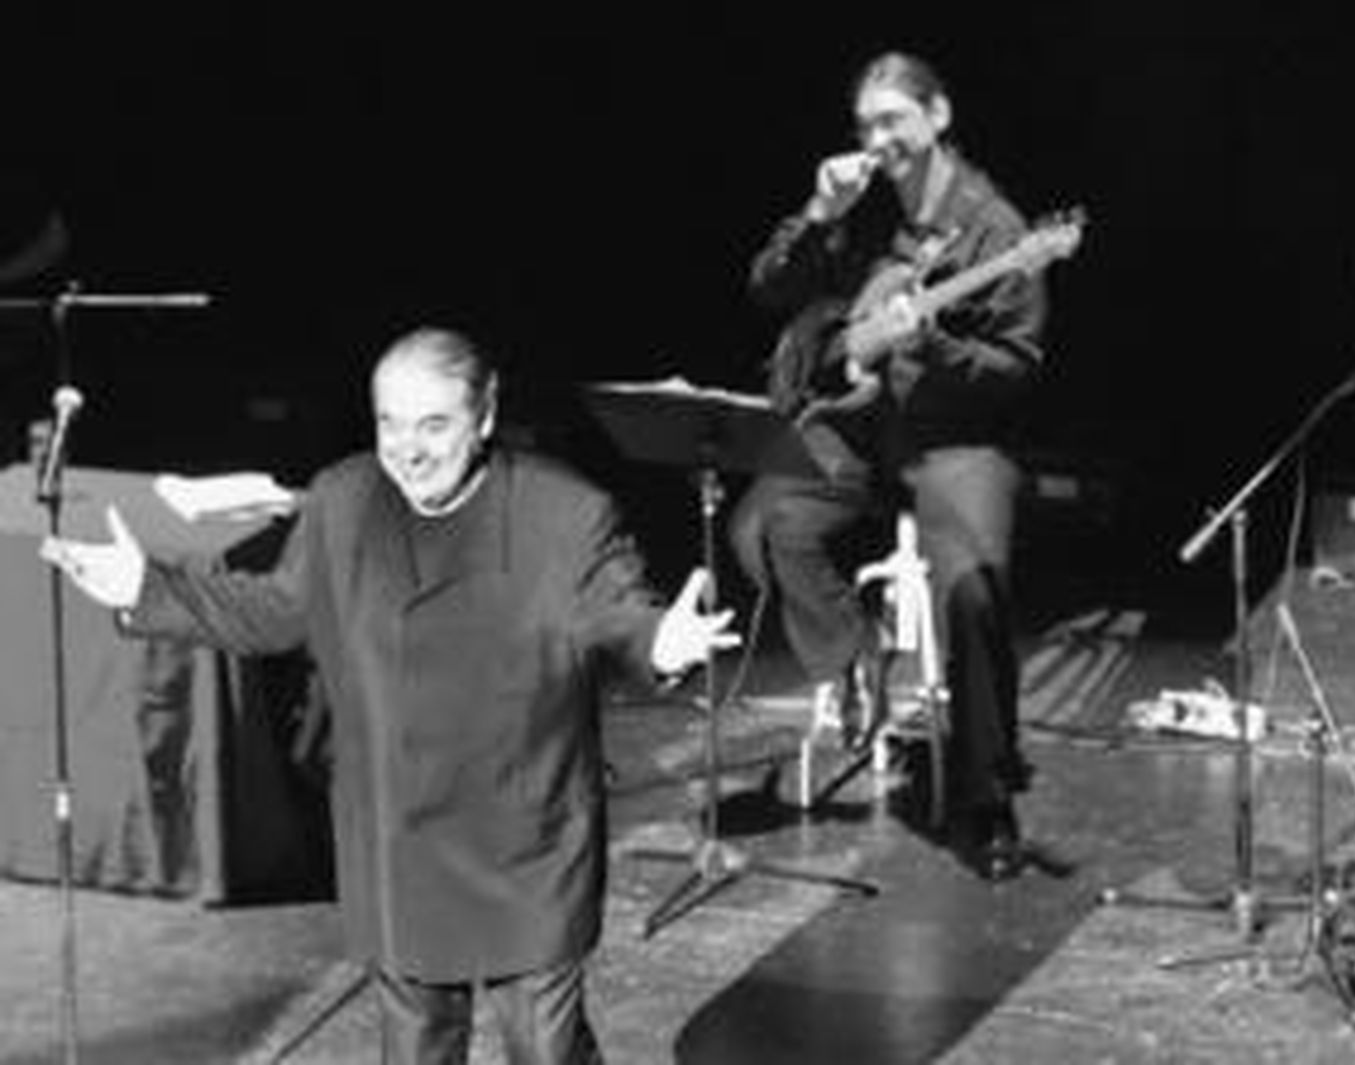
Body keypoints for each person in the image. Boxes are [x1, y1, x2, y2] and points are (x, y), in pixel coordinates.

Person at [41, 325, 738, 1064]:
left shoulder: (563, 513)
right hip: (401, 847)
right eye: (390, 424)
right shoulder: (344, 500)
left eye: (434, 424)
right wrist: (146, 590)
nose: (407, 449)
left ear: (486, 415)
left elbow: (619, 610)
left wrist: (661, 642)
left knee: (547, 1050)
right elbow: (275, 609)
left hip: (525, 849)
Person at [729, 51, 1051, 883]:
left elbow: (1017, 365)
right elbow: (769, 288)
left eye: (893, 121)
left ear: (937, 116)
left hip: (955, 436)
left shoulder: (996, 226)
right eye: (866, 125)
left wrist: (932, 340)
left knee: (975, 588)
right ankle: (854, 656)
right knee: (760, 526)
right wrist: (818, 209)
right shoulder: (860, 210)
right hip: (860, 425)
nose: (878, 141)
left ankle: (986, 802)